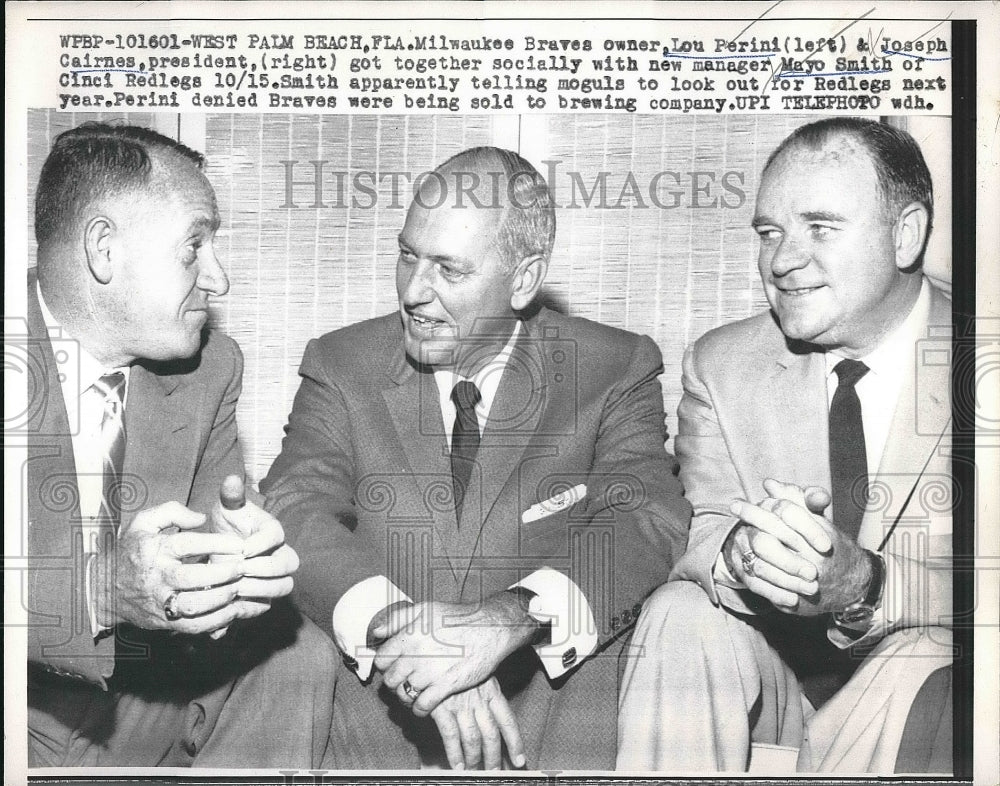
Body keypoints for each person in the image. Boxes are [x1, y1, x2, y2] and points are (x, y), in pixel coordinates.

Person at [261, 146, 690, 770]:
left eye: (449, 270)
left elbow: (647, 521)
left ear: (523, 279)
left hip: (553, 733)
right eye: (407, 255)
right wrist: (416, 637)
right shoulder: (340, 364)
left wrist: (510, 617)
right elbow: (295, 510)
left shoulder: (613, 368)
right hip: (374, 735)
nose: (414, 291)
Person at [617, 118, 955, 774]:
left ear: (906, 234)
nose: (781, 261)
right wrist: (745, 557)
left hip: (917, 682)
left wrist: (866, 585)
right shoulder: (722, 363)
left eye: (820, 227)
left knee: (926, 654)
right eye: (770, 232)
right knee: (679, 614)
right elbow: (703, 528)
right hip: (779, 684)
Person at [24, 123, 335, 767]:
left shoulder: (210, 367)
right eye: (195, 245)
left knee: (297, 652)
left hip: (139, 692)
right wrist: (100, 589)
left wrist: (233, 568)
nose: (218, 280)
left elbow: (210, 532)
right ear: (103, 249)